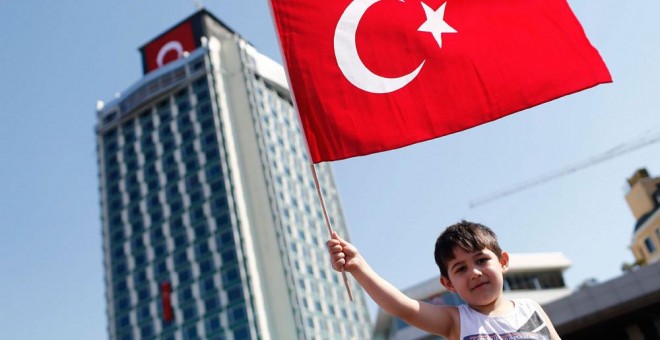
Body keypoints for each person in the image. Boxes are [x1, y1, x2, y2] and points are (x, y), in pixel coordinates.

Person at [327, 220, 560, 340]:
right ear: (448, 284)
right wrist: (358, 266)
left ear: (503, 261)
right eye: (460, 269)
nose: (474, 272)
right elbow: (402, 308)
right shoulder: (455, 321)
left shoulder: (532, 310)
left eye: (481, 260)